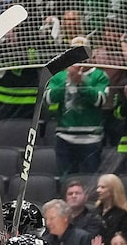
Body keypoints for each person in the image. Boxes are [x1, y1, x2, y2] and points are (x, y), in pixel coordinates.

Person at [47, 48, 109, 178]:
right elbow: (48, 98)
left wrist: (81, 82)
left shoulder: (99, 75)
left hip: (91, 138)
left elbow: (100, 99)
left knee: (90, 181)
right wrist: (68, 82)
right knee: (65, 180)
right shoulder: (59, 76)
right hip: (64, 136)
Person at [93, 174, 127, 241]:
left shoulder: (122, 215)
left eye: (102, 187)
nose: (98, 190)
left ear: (113, 190)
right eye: (98, 187)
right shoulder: (94, 211)